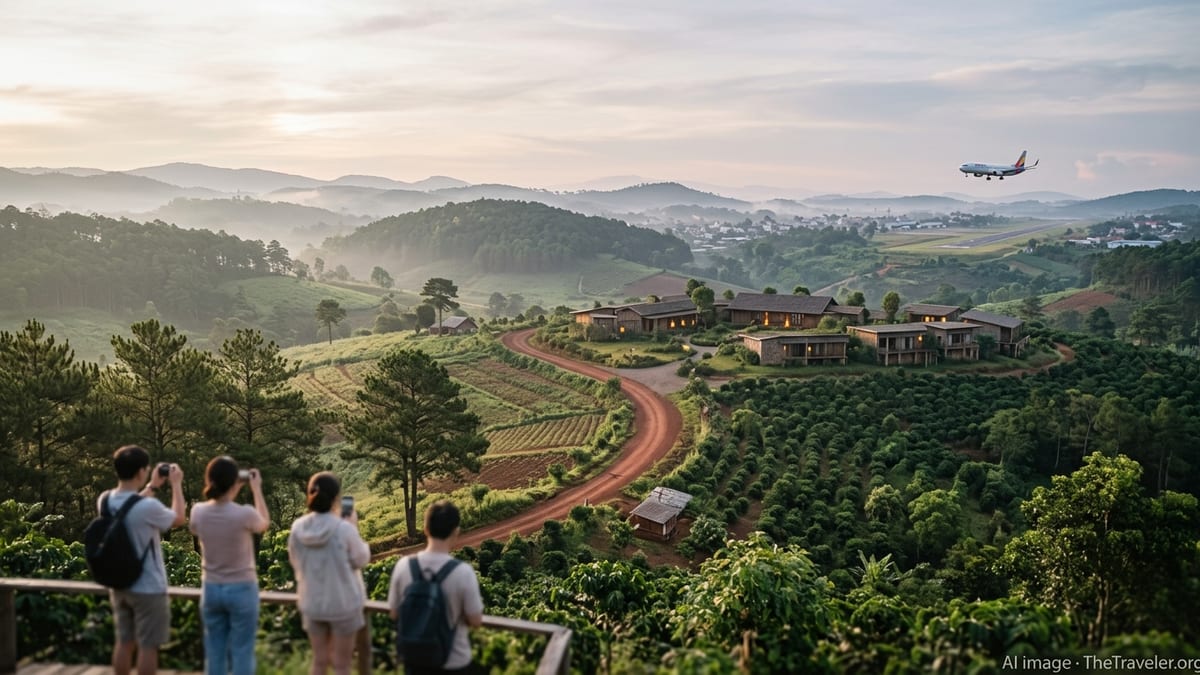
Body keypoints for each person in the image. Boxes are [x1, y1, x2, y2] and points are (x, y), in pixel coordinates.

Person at [100, 444, 186, 675]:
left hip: (119, 583)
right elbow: (178, 518)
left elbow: (129, 507)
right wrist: (176, 485)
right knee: (148, 647)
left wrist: (153, 487)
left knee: (124, 642)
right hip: (148, 586)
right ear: (140, 471)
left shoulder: (105, 500)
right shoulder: (148, 507)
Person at [189, 457, 270, 675]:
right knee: (242, 651)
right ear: (235, 481)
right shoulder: (244, 514)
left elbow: (195, 528)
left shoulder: (198, 511)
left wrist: (231, 485)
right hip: (242, 588)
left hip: (212, 588)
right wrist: (256, 488)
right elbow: (264, 523)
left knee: (215, 652)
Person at [387, 500, 484, 675]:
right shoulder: (463, 572)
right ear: (456, 532)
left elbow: (394, 613)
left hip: (414, 660)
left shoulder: (403, 566)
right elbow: (475, 621)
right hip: (454, 662)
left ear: (425, 529)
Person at [288, 472, 371, 675]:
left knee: (319, 661)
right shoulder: (344, 529)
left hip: (312, 603)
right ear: (336, 498)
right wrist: (353, 527)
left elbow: (295, 562)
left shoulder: (298, 528)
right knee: (341, 665)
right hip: (343, 604)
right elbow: (361, 559)